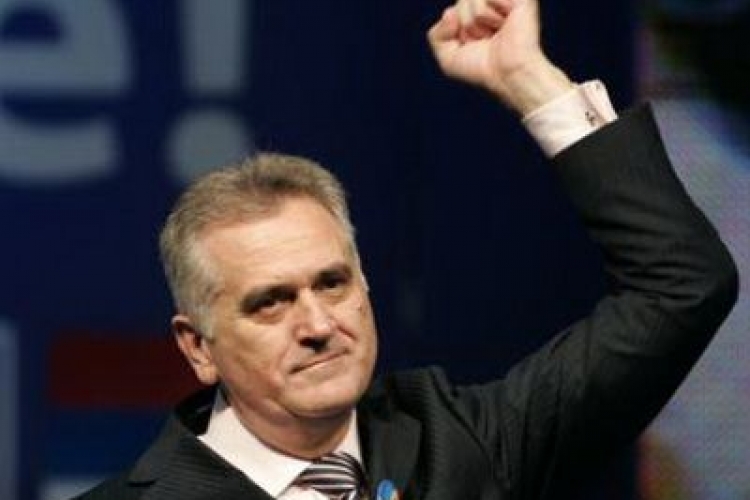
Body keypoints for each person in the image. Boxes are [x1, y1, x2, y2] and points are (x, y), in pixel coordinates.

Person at [76, 0, 738, 499]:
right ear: (198, 347)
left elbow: (681, 285)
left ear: (365, 287)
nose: (317, 324)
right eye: (270, 303)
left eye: (332, 283)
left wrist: (529, 80)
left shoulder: (465, 444)